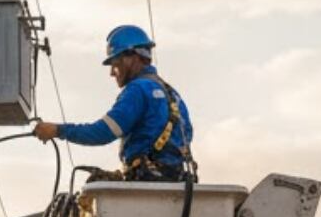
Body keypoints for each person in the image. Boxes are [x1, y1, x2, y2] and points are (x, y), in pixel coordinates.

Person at [31, 24, 197, 182]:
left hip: (148, 184)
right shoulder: (172, 94)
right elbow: (187, 135)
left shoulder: (138, 90)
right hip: (177, 182)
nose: (112, 73)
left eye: (115, 64)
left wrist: (58, 130)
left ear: (131, 58)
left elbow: (102, 132)